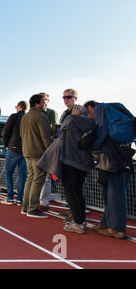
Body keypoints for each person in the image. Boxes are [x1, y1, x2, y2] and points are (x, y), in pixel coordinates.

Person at [38, 104, 96, 233]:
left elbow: (61, 128)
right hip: (84, 162)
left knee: (70, 191)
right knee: (78, 191)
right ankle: (81, 219)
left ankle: (78, 223)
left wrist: (71, 115)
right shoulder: (93, 124)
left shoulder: (71, 120)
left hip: (69, 160)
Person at [84, 100, 132, 239]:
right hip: (112, 160)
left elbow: (101, 139)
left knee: (115, 194)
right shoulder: (109, 117)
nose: (89, 117)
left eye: (88, 113)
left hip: (114, 161)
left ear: (92, 108)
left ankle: (117, 229)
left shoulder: (101, 110)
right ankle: (106, 223)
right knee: (108, 194)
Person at [20, 94, 52, 218]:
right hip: (38, 152)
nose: (46, 104)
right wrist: (50, 152)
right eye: (44, 102)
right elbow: (45, 136)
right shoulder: (40, 115)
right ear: (38, 103)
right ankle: (32, 208)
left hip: (27, 151)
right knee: (38, 179)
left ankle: (26, 206)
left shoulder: (26, 116)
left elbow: (22, 134)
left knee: (30, 178)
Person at [1, 100, 28, 205]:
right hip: (25, 149)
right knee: (22, 175)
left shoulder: (14, 116)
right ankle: (20, 198)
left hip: (13, 148)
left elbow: (6, 131)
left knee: (8, 172)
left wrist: (6, 144)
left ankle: (10, 197)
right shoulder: (27, 117)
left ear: (19, 107)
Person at [39, 92, 58, 209]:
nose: (43, 102)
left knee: (46, 177)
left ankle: (43, 201)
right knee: (34, 176)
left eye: (45, 100)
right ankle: (35, 199)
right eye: (41, 100)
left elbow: (54, 129)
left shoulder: (51, 113)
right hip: (35, 148)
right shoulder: (33, 113)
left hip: (47, 148)